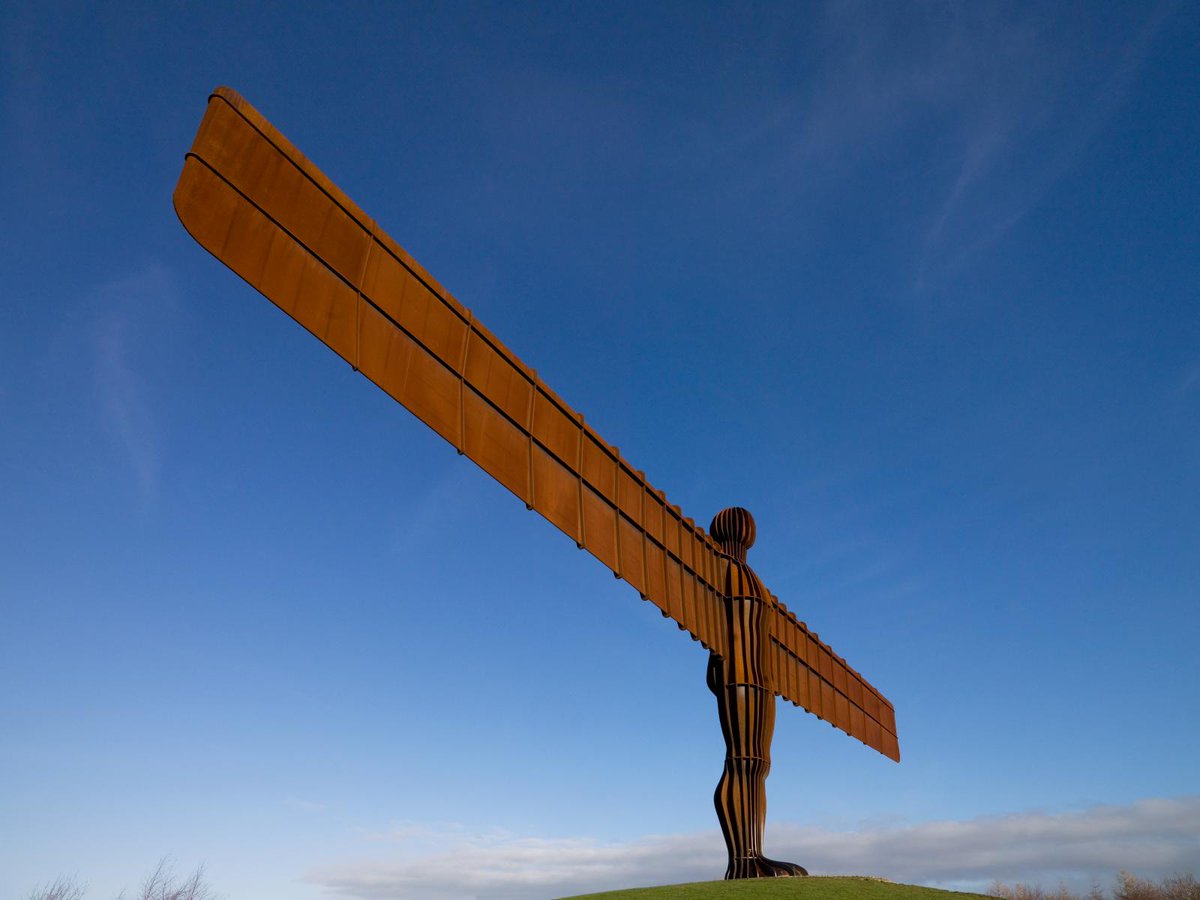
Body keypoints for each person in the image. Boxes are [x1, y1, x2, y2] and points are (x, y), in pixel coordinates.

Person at [707, 507, 808, 879]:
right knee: (740, 759)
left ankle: (755, 854)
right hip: (736, 677)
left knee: (758, 763)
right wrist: (718, 666)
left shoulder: (755, 582)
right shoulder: (713, 566)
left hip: (761, 682)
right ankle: (742, 861)